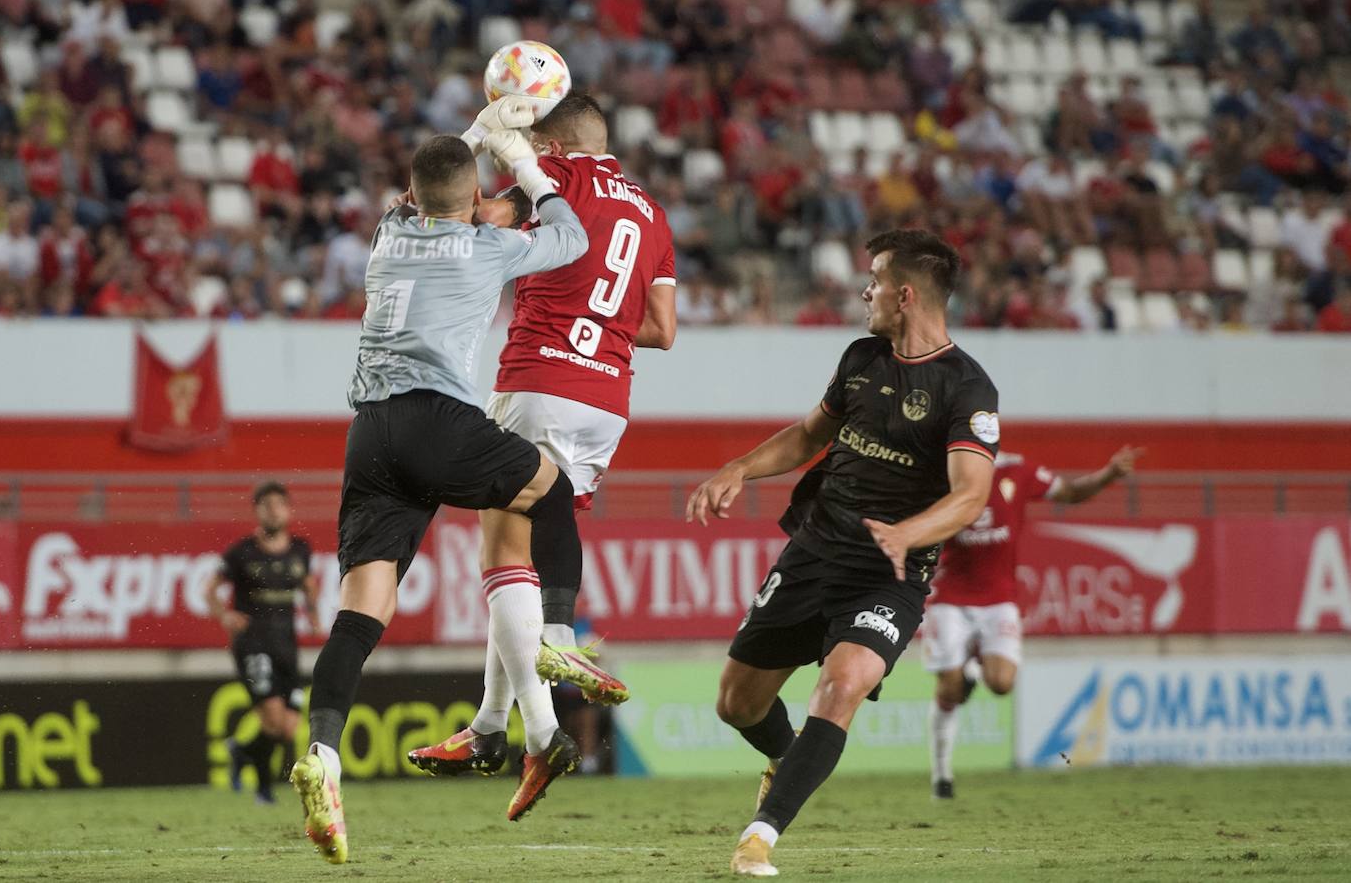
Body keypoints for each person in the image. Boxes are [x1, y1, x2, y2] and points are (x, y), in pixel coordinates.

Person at [288, 103, 590, 865]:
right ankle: (557, 642)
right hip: (439, 420)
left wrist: (474, 138)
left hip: (371, 432)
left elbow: (424, 194)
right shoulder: (487, 247)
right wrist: (524, 164)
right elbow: (571, 238)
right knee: (550, 490)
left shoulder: (388, 235)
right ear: (475, 197)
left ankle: (322, 755)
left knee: (362, 611)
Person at [688, 229, 1000, 877]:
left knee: (843, 683)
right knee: (737, 704)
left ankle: (759, 837)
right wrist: (740, 467)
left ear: (905, 295)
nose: (865, 292)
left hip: (889, 575)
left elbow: (971, 495)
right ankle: (783, 759)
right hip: (814, 552)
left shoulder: (967, 388)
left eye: (875, 280)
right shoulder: (862, 358)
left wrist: (907, 534)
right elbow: (809, 435)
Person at [409, 94, 677, 787]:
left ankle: (541, 716)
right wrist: (600, 314)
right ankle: (488, 726)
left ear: (551, 146)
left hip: (538, 378)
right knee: (524, 555)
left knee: (501, 553)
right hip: (607, 402)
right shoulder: (653, 213)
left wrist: (475, 150)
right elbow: (663, 329)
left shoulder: (553, 181)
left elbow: (470, 218)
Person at [924, 445, 1142, 799]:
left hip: (999, 600)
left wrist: (1110, 474)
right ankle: (942, 775)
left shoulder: (1018, 471)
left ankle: (974, 668)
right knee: (950, 690)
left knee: (1002, 683)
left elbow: (1070, 492)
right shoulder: (941, 472)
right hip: (951, 597)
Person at [204, 480, 320, 805]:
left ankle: (242, 751)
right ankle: (264, 789)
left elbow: (309, 584)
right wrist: (225, 616)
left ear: (289, 510)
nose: (273, 511)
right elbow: (209, 589)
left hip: (286, 643)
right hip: (253, 644)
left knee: (288, 727)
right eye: (266, 506)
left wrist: (313, 615)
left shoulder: (300, 549)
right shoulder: (242, 552)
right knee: (272, 717)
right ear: (256, 511)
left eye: (279, 505)